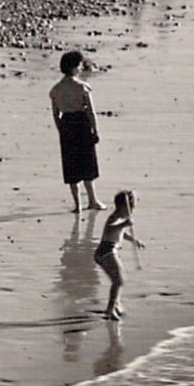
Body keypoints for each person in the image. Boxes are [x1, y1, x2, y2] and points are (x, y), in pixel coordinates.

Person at [49, 50, 107, 213]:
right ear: (75, 68)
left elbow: (55, 113)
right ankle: (92, 200)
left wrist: (60, 129)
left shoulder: (56, 90)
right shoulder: (82, 87)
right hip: (81, 123)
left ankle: (77, 204)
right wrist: (95, 130)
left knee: (71, 165)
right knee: (87, 164)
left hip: (66, 124)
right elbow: (91, 111)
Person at [94, 190, 145, 320]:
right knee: (119, 280)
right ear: (124, 207)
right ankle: (110, 309)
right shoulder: (115, 218)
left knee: (118, 280)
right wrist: (124, 224)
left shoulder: (120, 218)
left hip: (108, 251)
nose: (132, 211)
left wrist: (134, 240)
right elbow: (111, 228)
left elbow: (121, 232)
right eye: (131, 208)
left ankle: (116, 304)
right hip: (106, 251)